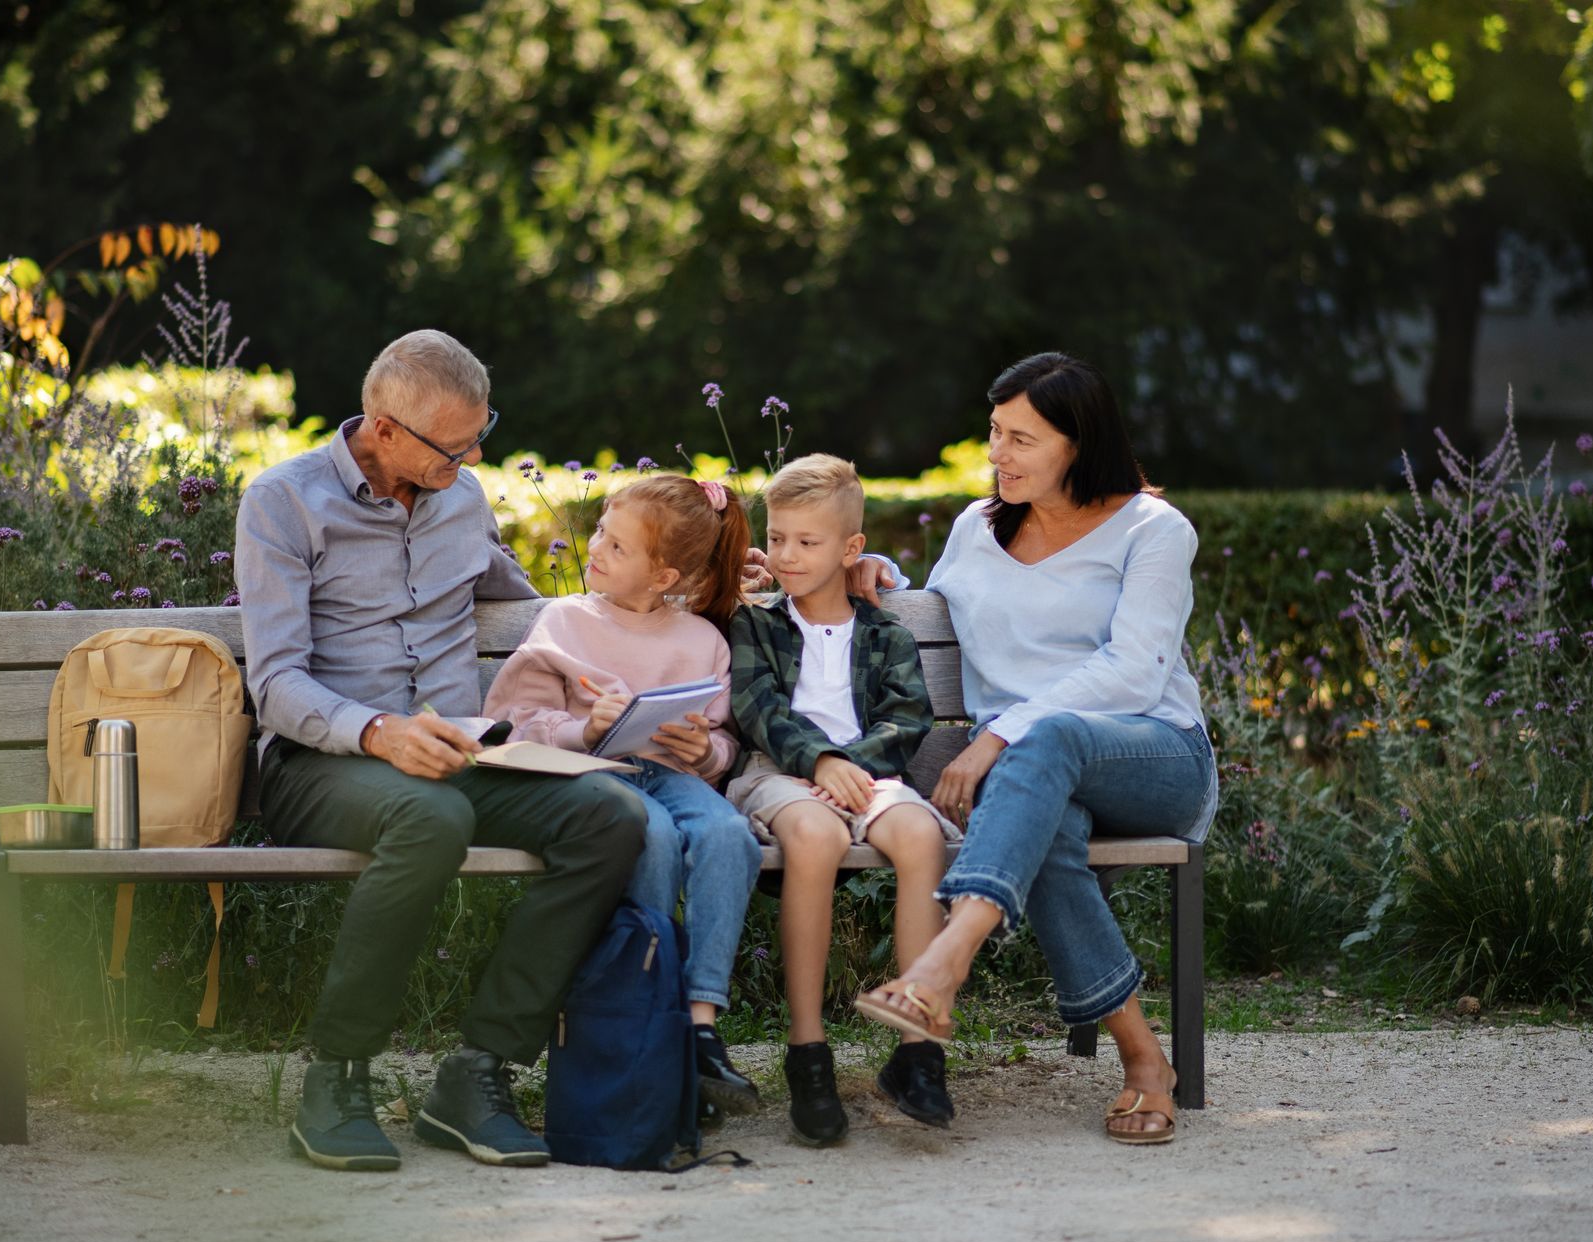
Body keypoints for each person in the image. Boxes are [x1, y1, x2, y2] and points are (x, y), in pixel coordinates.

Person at [236, 330, 647, 1172]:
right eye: (452, 443)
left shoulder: (461, 498)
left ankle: (477, 1072)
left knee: (609, 814)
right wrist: (381, 733)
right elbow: (274, 682)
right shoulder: (285, 502)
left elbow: (538, 609)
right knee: (431, 818)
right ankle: (337, 1078)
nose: (473, 455)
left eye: (480, 435)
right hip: (324, 763)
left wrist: (704, 586)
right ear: (384, 429)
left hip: (461, 756)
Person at [853, 351, 1218, 1146]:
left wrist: (1000, 735)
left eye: (1023, 439)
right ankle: (1146, 1063)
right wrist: (878, 572)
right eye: (995, 432)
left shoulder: (1153, 530)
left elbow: (1135, 670)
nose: (998, 454)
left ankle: (947, 961)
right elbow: (937, 605)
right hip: (1034, 776)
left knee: (1042, 738)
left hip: (1153, 757)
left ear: (1078, 444)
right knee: (1046, 820)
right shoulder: (978, 528)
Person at [484, 475, 766, 1121]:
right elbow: (514, 723)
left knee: (728, 835)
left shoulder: (701, 640)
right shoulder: (565, 620)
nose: (597, 550)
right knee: (654, 836)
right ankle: (647, 1016)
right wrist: (586, 727)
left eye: (617, 546)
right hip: (592, 779)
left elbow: (720, 740)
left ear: (663, 575)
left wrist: (707, 753)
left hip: (671, 776)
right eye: (602, 534)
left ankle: (700, 1024)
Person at [727, 455, 957, 1146]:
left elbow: (908, 717)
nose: (789, 555)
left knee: (922, 838)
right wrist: (817, 762)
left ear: (851, 550)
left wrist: (846, 767)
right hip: (780, 773)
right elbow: (755, 706)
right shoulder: (758, 624)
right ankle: (808, 1052)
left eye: (809, 542)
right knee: (816, 837)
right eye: (781, 538)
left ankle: (919, 1052)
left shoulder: (884, 631)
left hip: (867, 776)